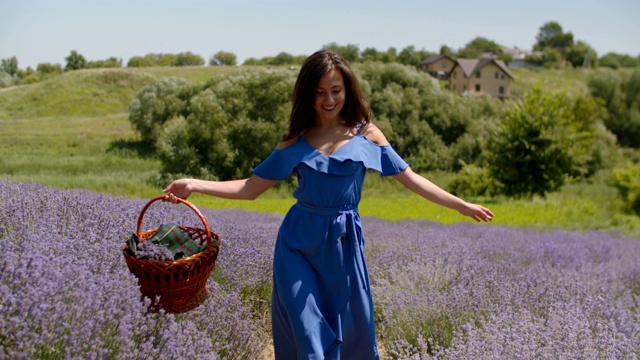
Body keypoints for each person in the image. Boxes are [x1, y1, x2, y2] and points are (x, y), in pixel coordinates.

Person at [164, 49, 494, 360]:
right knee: (308, 336)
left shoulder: (367, 134)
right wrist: (195, 184)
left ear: (347, 90)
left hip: (343, 250)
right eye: (320, 92)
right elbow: (251, 188)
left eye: (336, 90)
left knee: (351, 333)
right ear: (308, 94)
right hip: (297, 248)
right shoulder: (295, 140)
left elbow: (411, 178)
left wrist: (461, 205)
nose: (329, 99)